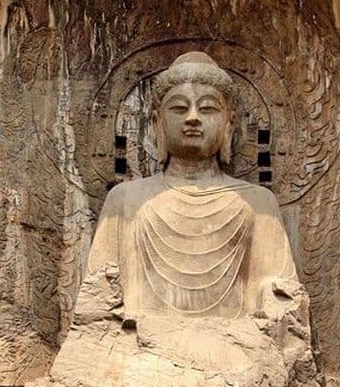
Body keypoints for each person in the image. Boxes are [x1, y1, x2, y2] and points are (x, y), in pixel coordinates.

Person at [87, 51, 297, 319]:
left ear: (228, 124)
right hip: (140, 349)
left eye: (208, 108)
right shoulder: (125, 199)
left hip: (236, 350)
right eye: (178, 108)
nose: (193, 118)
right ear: (157, 122)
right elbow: (97, 303)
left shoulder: (258, 203)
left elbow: (279, 300)